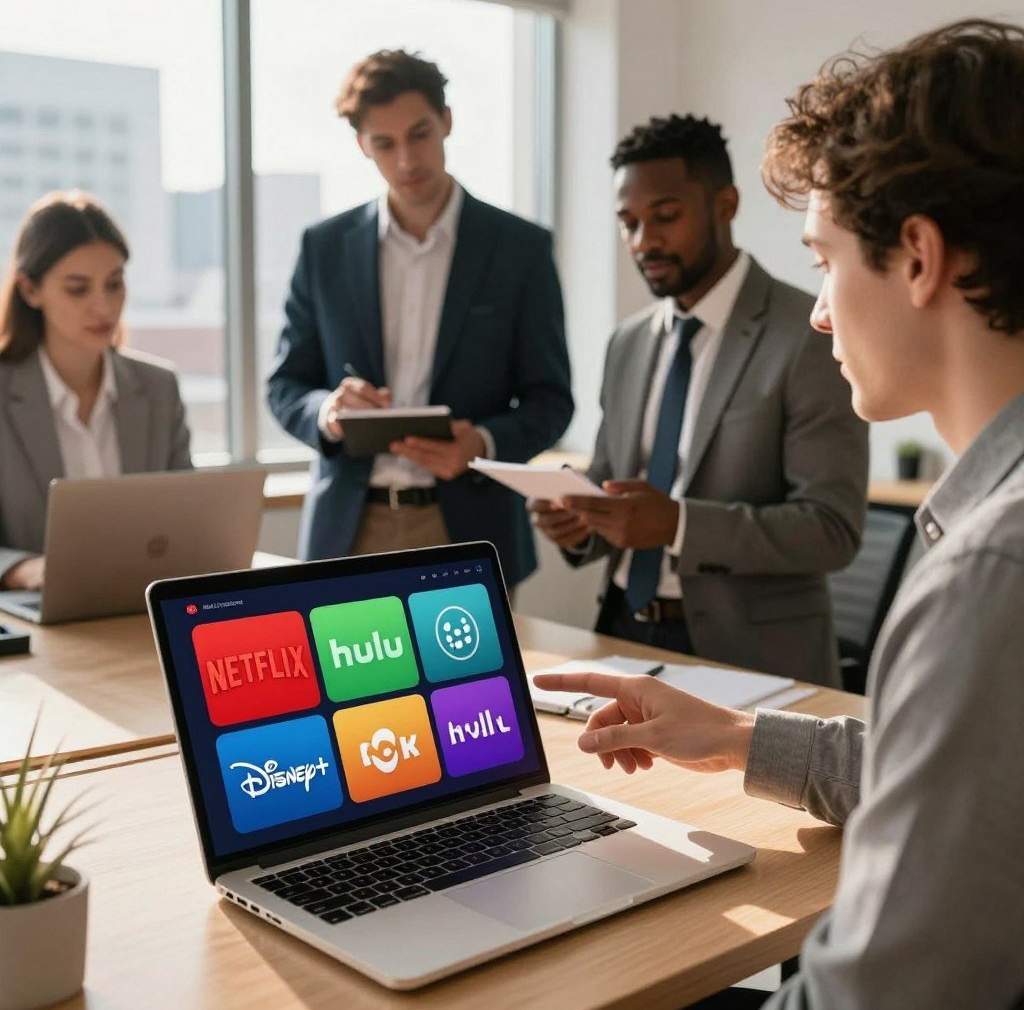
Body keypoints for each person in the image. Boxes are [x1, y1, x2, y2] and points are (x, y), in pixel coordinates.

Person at [537, 19, 1024, 1010]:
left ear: (919, 258)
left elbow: (878, 993)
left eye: (824, 258)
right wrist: (736, 739)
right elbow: (949, 769)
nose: (818, 309)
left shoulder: (987, 572)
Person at [530, 115, 867, 686]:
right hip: (621, 629)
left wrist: (678, 524)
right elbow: (613, 480)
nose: (644, 242)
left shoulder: (809, 334)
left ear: (725, 205)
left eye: (665, 217)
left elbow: (831, 529)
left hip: (749, 654)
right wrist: (580, 521)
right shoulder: (628, 342)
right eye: (628, 223)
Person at [267, 49, 572, 587]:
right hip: (349, 530)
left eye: (420, 134)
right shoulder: (325, 248)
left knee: (475, 677)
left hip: (471, 529)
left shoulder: (519, 249)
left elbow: (551, 399)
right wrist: (328, 411)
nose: (407, 159)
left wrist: (479, 443)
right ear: (363, 145)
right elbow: (286, 384)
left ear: (447, 122)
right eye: (385, 143)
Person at [0, 192, 192, 590]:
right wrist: (25, 570)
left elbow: (187, 523)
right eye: (78, 289)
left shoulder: (159, 389)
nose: (103, 307)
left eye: (114, 284)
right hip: (36, 621)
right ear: (30, 291)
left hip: (139, 609)